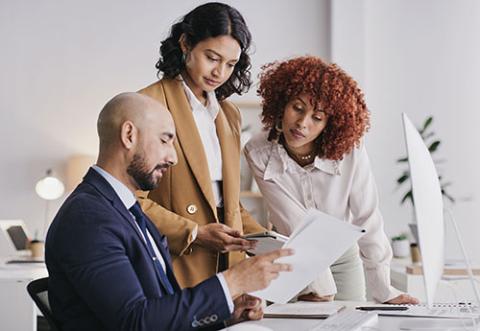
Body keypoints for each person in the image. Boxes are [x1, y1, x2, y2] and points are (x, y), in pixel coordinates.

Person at [45, 92, 293, 331]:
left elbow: (161, 314)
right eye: (165, 140)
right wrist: (232, 283)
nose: (173, 157)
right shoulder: (88, 218)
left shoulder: (127, 209)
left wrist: (225, 317)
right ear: (129, 135)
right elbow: (135, 322)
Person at [244, 56, 419, 304]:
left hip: (343, 256)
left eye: (317, 117)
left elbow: (366, 217)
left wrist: (383, 289)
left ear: (330, 123)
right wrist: (319, 283)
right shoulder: (258, 151)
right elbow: (291, 219)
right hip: (291, 255)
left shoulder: (350, 151)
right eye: (297, 108)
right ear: (282, 103)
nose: (302, 123)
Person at [137, 2, 265, 288]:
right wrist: (193, 232)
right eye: (212, 57)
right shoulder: (148, 105)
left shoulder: (229, 114)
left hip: (228, 267)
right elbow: (128, 200)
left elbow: (226, 202)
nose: (219, 72)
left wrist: (270, 243)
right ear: (185, 44)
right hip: (176, 264)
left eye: (230, 64)